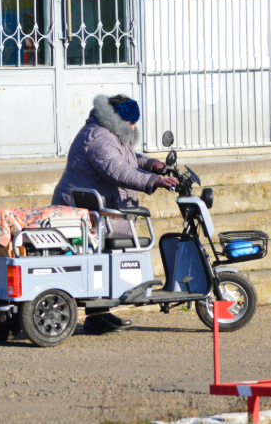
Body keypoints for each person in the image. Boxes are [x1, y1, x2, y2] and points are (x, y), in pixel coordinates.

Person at [51, 94, 179, 334]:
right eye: (131, 123)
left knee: (105, 259)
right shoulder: (99, 137)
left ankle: (99, 315)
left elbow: (128, 157)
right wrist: (156, 181)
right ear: (120, 120)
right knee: (103, 258)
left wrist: (153, 164)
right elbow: (118, 169)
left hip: (97, 209)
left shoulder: (107, 133)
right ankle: (98, 315)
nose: (133, 128)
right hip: (85, 211)